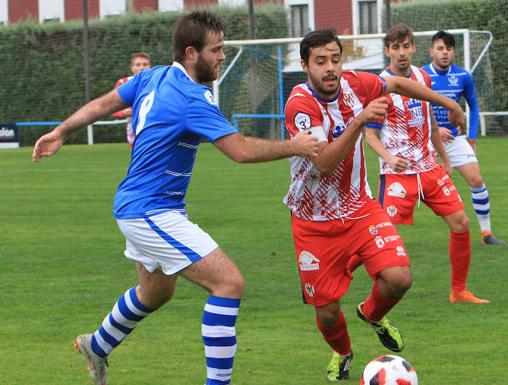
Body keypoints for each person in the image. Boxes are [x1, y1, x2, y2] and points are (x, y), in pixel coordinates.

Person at [32, 11, 320, 385]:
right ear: (190, 52)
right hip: (149, 211)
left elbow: (103, 103)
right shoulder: (191, 98)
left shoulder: (152, 77)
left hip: (139, 205)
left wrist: (61, 131)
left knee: (156, 291)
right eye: (215, 50)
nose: (220, 57)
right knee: (229, 283)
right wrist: (295, 146)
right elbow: (241, 151)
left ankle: (97, 345)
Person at [283, 29, 465, 381]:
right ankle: (343, 353)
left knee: (399, 278)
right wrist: (360, 120)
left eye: (335, 59)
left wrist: (449, 104)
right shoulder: (300, 105)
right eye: (320, 61)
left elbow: (396, 84)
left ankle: (371, 313)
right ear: (305, 65)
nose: (330, 68)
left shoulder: (355, 84)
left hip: (359, 208)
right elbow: (323, 163)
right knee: (327, 313)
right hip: (313, 221)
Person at [353, 23, 489, 304]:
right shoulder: (380, 86)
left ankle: (459, 291)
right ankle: (338, 272)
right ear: (387, 51)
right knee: (379, 237)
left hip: (429, 168)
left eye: (406, 46)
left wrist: (445, 158)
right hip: (397, 175)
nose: (401, 53)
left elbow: (431, 123)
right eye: (396, 47)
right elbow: (371, 135)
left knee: (461, 223)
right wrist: (390, 158)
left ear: (414, 48)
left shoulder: (423, 77)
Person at [422, 30, 506, 246]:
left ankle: (486, 234)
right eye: (440, 48)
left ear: (453, 52)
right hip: (427, 140)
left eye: (448, 49)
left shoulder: (463, 76)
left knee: (476, 180)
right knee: (416, 190)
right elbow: (414, 107)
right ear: (431, 51)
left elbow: (474, 106)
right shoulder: (420, 76)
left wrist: (472, 136)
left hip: (455, 139)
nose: (444, 53)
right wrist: (434, 129)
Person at [112, 52, 152, 148]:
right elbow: (113, 110)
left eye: (145, 64)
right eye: (138, 65)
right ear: (132, 68)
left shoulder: (158, 82)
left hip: (155, 128)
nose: (142, 67)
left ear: (150, 67)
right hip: (134, 131)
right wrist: (124, 112)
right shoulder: (123, 83)